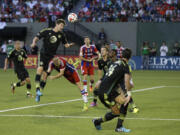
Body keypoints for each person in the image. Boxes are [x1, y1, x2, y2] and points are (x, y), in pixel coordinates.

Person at [31, 19, 73, 102]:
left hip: (51, 57)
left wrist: (69, 45)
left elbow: (66, 44)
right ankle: (37, 90)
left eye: (63, 26)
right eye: (61, 25)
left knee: (45, 76)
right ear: (56, 24)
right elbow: (37, 37)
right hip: (43, 54)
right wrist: (33, 43)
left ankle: (39, 92)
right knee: (40, 69)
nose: (62, 27)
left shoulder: (62, 34)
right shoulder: (47, 31)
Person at [92, 48, 132, 133]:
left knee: (125, 102)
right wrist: (128, 93)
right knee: (116, 112)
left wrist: (123, 93)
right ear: (130, 57)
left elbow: (113, 78)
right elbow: (127, 82)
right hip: (105, 93)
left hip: (109, 90)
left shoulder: (115, 63)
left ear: (122, 55)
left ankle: (119, 127)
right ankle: (97, 121)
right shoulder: (125, 66)